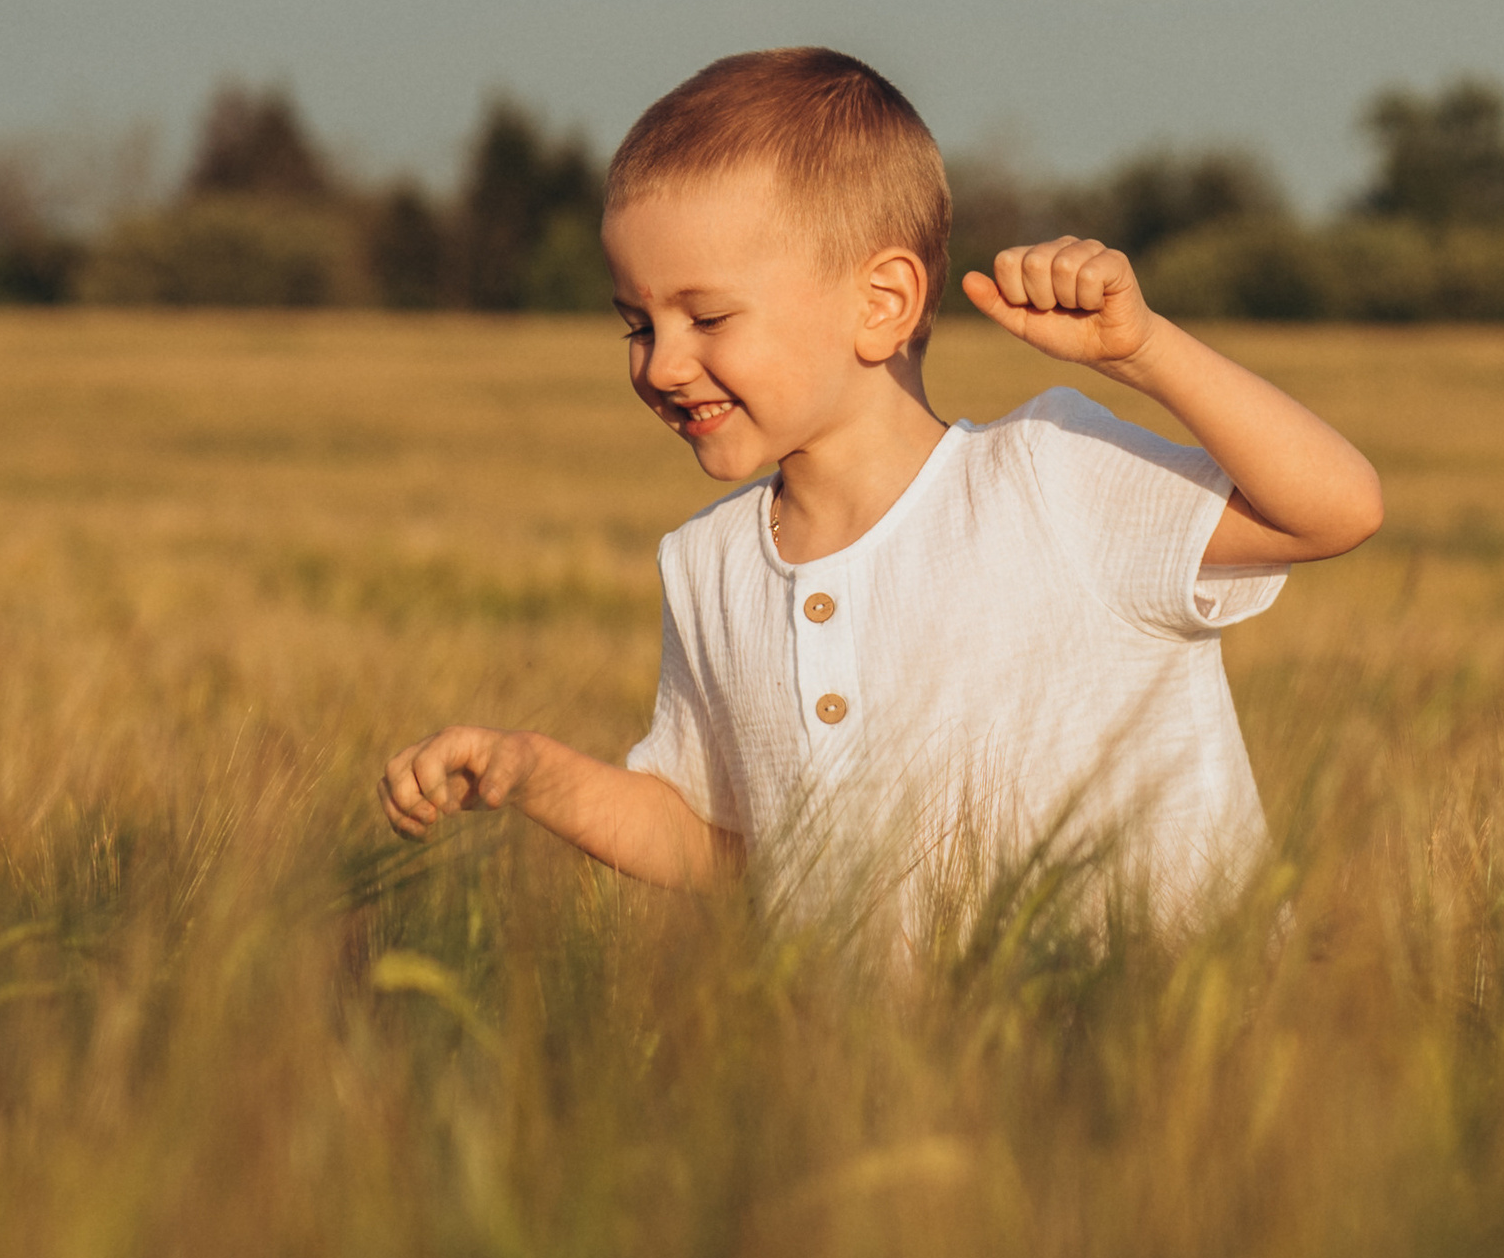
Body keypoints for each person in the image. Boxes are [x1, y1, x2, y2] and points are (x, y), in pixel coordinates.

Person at [378, 48, 1383, 929]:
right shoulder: (707, 565)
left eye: (708, 318)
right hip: (912, 1100)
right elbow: (729, 851)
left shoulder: (1048, 480)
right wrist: (535, 775)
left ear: (882, 304)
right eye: (638, 326)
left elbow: (1334, 510)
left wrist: (1145, 352)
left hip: (1162, 1061)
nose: (662, 365)